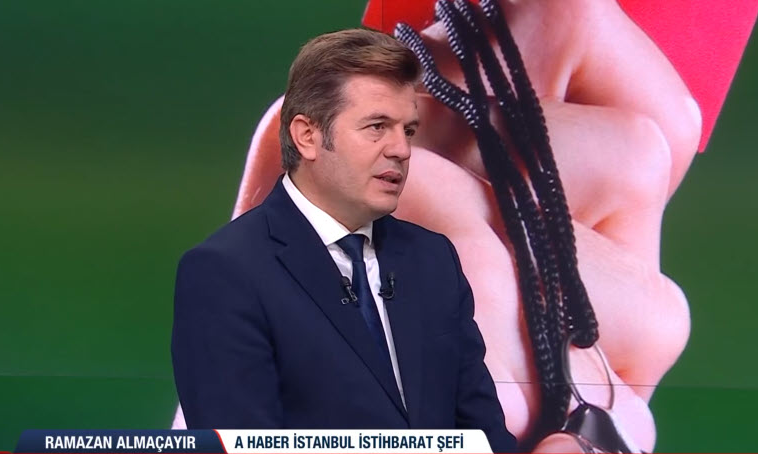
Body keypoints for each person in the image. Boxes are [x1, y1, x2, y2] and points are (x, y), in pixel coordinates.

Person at [171, 28, 517, 453]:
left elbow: (484, 436)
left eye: (408, 130)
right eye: (377, 127)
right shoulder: (224, 272)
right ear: (307, 136)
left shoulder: (433, 259)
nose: (402, 150)